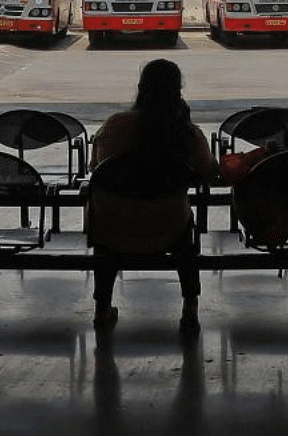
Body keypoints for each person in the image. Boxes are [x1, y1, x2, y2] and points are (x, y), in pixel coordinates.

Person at [88, 58, 218, 336]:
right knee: (187, 231)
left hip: (114, 228)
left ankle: (102, 308)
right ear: (178, 92)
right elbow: (209, 173)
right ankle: (190, 308)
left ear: (140, 88)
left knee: (104, 228)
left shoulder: (115, 125)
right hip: (167, 228)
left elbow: (96, 169)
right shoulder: (186, 133)